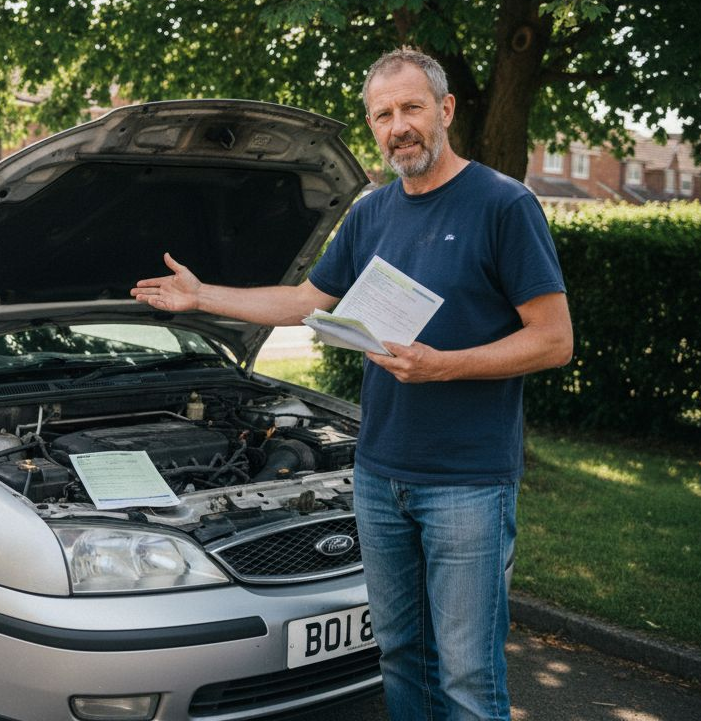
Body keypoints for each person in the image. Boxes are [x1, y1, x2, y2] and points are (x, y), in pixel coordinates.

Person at [131, 47, 573, 721]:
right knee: (400, 655)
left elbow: (554, 339)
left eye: (412, 108)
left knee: (466, 674)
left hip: (468, 482)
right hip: (379, 475)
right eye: (383, 115)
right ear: (372, 125)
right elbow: (305, 301)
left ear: (446, 109)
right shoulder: (372, 213)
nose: (399, 127)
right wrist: (202, 296)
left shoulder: (503, 204)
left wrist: (444, 364)